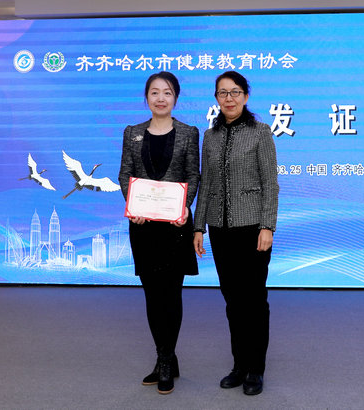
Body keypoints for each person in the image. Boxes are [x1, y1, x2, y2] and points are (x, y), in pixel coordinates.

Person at [193, 70, 279, 396]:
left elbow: (270, 183)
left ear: (246, 96)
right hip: (220, 229)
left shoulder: (260, 132)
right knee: (232, 300)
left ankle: (256, 368)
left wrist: (267, 225)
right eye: (222, 93)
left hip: (253, 229)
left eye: (235, 92)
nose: (228, 98)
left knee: (253, 300)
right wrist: (198, 226)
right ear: (216, 98)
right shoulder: (210, 136)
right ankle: (239, 365)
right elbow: (206, 185)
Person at [118, 71, 200, 395]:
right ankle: (166, 357)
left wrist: (184, 207)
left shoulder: (189, 133)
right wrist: (133, 204)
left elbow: (193, 175)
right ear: (147, 98)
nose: (161, 98)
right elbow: (125, 173)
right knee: (152, 295)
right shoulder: (133, 133)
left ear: (175, 98)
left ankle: (165, 360)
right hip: (143, 227)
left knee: (171, 294)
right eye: (155, 92)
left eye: (167, 92)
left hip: (176, 227)